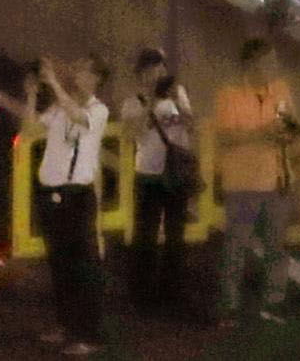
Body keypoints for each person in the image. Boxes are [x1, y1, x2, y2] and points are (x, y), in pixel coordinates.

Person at [212, 34, 300, 322]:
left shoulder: (281, 91)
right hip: (242, 182)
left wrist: (288, 134)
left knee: (278, 245)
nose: (273, 67)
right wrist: (261, 134)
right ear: (251, 64)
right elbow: (224, 137)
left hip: (277, 178)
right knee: (236, 245)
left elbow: (293, 128)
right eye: (267, 62)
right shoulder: (229, 95)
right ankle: (230, 302)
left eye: (274, 61)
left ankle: (274, 300)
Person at [28, 56, 108, 351]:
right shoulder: (60, 106)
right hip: (51, 193)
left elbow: (77, 116)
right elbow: (30, 130)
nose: (76, 72)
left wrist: (53, 83)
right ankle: (65, 325)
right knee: (60, 264)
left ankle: (88, 335)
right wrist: (32, 94)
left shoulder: (98, 110)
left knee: (83, 266)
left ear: (96, 78)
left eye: (84, 69)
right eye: (78, 68)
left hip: (76, 195)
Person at [122, 46, 197, 315]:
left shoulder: (178, 94)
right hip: (148, 175)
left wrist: (177, 98)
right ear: (141, 74)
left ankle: (172, 292)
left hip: (175, 174)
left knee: (176, 236)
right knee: (146, 236)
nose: (156, 74)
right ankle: (141, 296)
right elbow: (133, 135)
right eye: (150, 70)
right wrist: (152, 103)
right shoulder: (133, 102)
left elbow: (190, 124)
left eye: (160, 68)